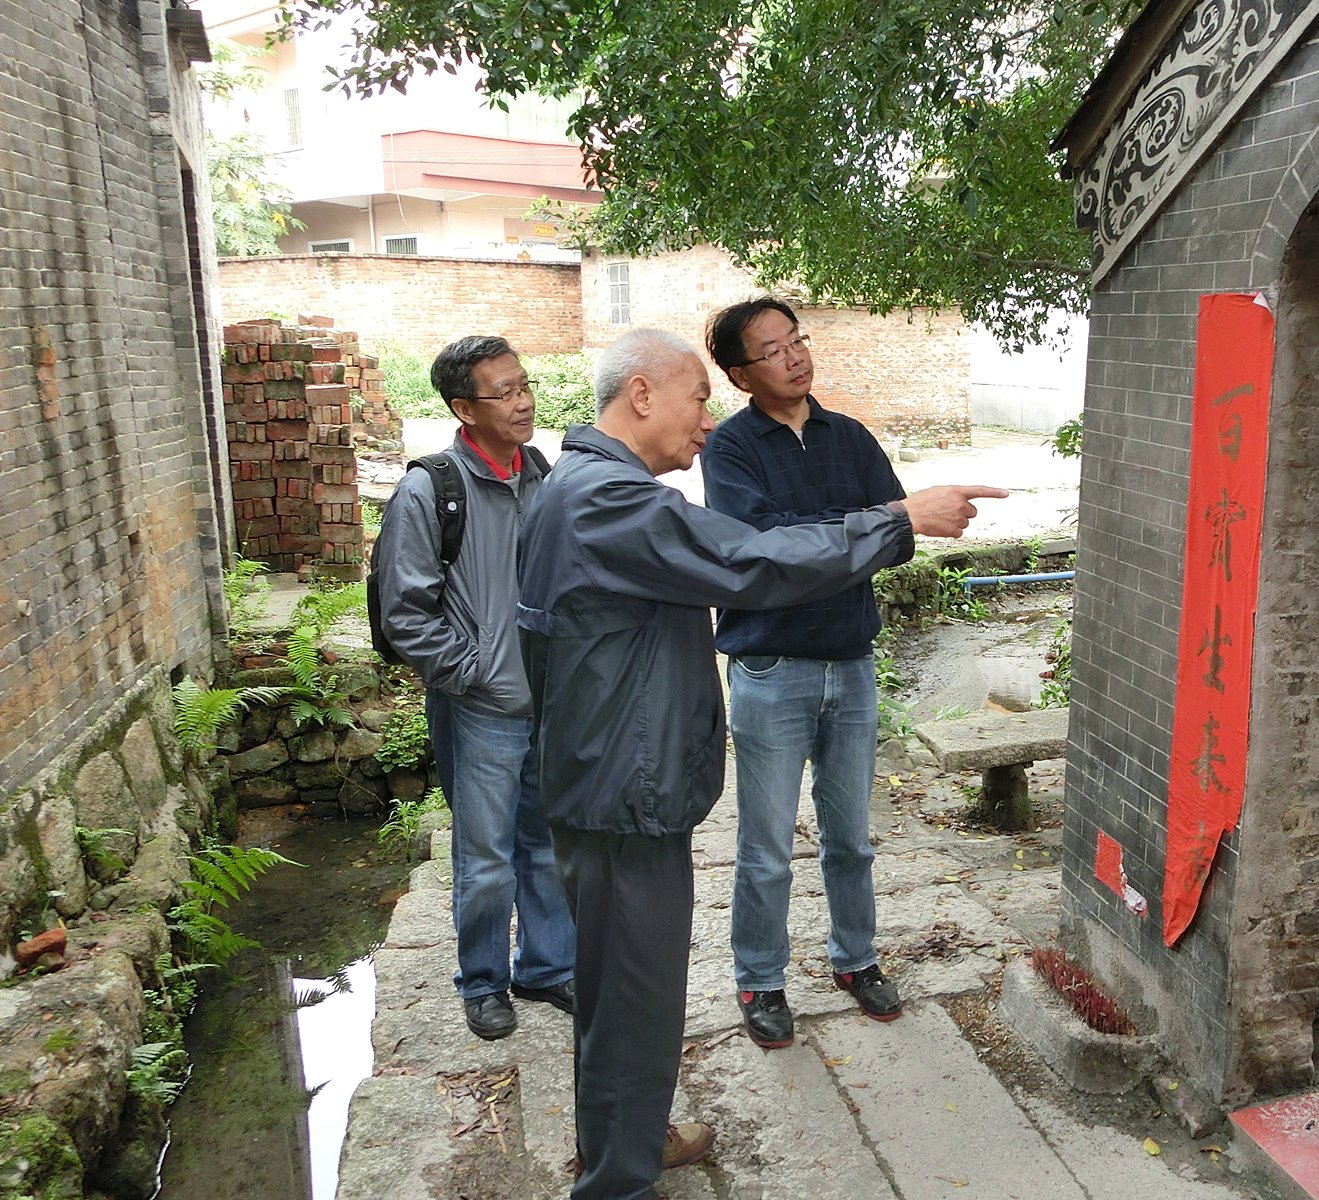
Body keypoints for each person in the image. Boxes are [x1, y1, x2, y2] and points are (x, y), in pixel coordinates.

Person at [516, 328, 1002, 1200]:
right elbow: (748, 558)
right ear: (640, 395)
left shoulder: (581, 487)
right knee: (633, 994)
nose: (707, 421)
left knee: (618, 988)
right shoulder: (606, 499)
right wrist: (897, 519)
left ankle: (623, 1142)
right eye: (698, 397)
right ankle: (617, 1180)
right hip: (622, 788)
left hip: (610, 776)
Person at [699, 297, 910, 1048]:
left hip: (851, 662)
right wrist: (855, 537)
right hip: (771, 664)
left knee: (850, 837)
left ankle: (856, 958)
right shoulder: (729, 450)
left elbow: (899, 535)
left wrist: (829, 543)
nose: (794, 356)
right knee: (766, 846)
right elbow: (758, 546)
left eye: (797, 340)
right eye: (772, 349)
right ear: (739, 373)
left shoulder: (848, 436)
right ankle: (760, 978)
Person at [375, 335, 576, 1041]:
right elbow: (405, 613)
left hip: (548, 702)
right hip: (481, 708)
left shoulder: (542, 475)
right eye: (504, 392)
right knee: (486, 859)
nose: (522, 403)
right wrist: (475, 674)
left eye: (525, 386)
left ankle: (546, 966)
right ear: (464, 408)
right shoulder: (430, 490)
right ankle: (484, 982)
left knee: (546, 846)